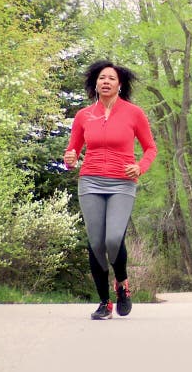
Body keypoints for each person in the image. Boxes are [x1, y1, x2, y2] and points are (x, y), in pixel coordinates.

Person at [63, 60, 157, 320]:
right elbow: (73, 150)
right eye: (102, 78)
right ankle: (105, 303)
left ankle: (122, 284)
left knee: (113, 239)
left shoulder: (134, 113)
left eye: (111, 78)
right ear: (95, 83)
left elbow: (151, 148)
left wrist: (140, 167)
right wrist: (69, 159)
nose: (106, 82)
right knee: (95, 243)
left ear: (120, 84)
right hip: (91, 181)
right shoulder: (84, 115)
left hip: (122, 182)